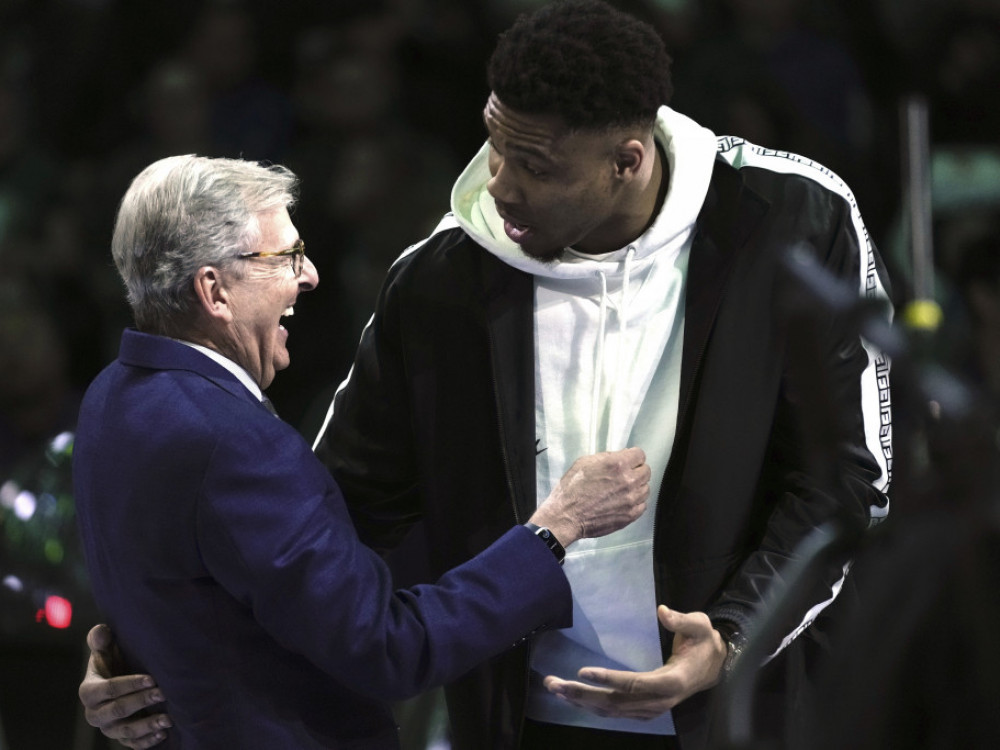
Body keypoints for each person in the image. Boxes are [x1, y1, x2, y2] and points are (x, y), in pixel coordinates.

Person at [80, 2, 893, 748]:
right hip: (518, 725)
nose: (498, 183)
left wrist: (733, 638)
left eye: (535, 164)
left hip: (750, 715)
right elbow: (323, 526)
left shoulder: (796, 220)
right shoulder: (440, 278)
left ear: (626, 160)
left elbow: (846, 483)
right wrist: (146, 653)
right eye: (495, 144)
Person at [72, 153, 652, 749]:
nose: (309, 275)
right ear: (214, 291)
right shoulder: (235, 444)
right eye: (285, 256)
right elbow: (389, 650)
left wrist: (122, 662)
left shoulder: (108, 399)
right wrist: (556, 529)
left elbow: (183, 597)